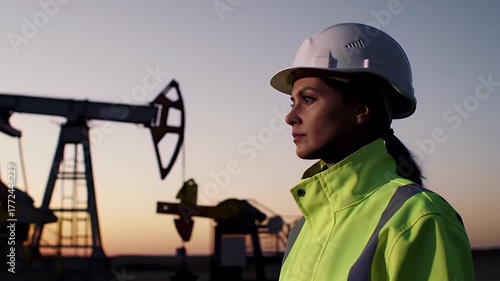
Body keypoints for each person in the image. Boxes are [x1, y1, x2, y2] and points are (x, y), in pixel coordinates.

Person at [269, 23, 475, 281]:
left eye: (308, 99)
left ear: (360, 110)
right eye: (293, 102)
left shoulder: (421, 218)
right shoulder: (303, 228)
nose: (290, 117)